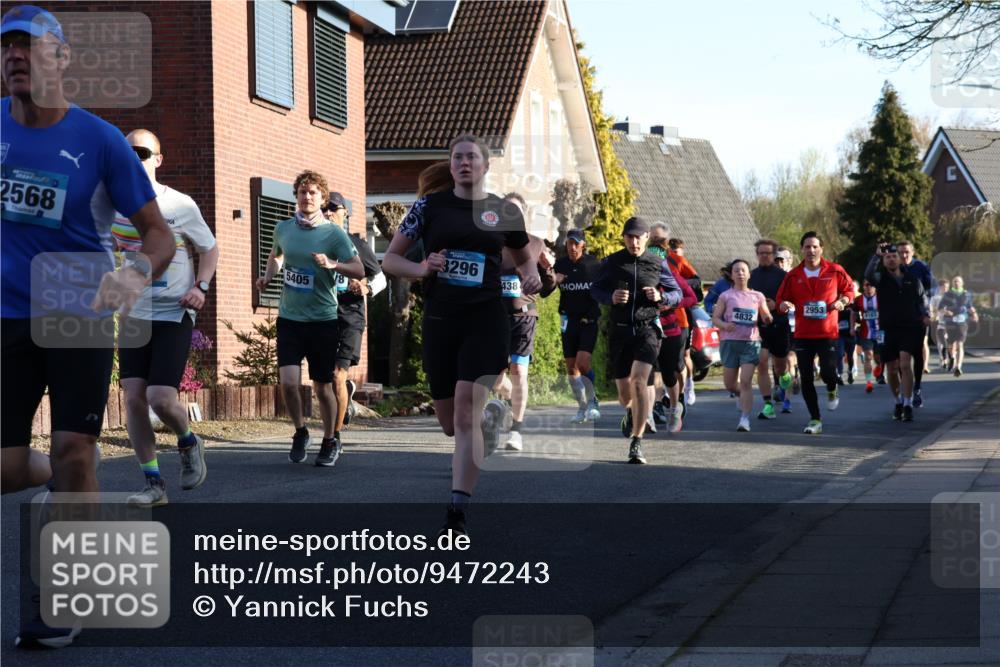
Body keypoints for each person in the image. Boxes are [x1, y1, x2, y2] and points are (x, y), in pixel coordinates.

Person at [1, 5, 175, 649]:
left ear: (62, 57)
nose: (15, 56)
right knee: (9, 465)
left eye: (29, 45)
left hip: (75, 307)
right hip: (3, 316)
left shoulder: (101, 140)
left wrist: (135, 274)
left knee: (77, 449)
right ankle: (56, 480)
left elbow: (158, 235)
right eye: (6, 47)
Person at [382, 134, 541, 536]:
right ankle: (490, 415)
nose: (464, 163)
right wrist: (423, 269)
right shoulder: (429, 207)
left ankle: (457, 508)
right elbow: (391, 259)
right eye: (458, 158)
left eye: (472, 157)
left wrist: (532, 275)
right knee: (451, 424)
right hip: (441, 319)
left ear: (485, 166)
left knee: (466, 412)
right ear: (451, 166)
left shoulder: (503, 211)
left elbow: (526, 259)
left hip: (486, 318)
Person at [113, 129, 219, 506]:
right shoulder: (110, 204)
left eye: (143, 152)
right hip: (134, 314)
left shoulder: (180, 205)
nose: (134, 158)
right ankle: (154, 483)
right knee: (133, 399)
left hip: (174, 311)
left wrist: (201, 287)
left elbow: (209, 250)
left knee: (160, 397)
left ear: (158, 159)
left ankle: (189, 441)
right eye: (128, 152)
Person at [254, 171, 364, 467]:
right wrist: (266, 277)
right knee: (288, 383)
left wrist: (333, 264)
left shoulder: (333, 234)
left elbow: (359, 269)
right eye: (302, 192)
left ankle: (330, 439)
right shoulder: (283, 228)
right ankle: (301, 431)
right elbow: (276, 255)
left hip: (322, 320)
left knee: (321, 386)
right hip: (289, 318)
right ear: (296, 196)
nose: (307, 197)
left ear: (322, 198)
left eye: (313, 193)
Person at [590, 217, 682, 464]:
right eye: (629, 237)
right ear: (624, 238)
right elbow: (594, 289)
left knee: (640, 381)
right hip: (620, 331)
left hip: (647, 329)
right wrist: (610, 296)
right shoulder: (612, 262)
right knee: (624, 394)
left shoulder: (658, 262)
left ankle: (637, 441)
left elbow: (678, 293)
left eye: (638, 237)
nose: (633, 241)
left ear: (646, 238)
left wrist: (661, 296)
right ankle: (630, 412)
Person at [776, 232, 855, 434]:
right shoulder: (793, 275)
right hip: (803, 334)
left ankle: (831, 388)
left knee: (829, 373)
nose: (811, 250)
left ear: (821, 249)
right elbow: (780, 300)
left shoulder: (835, 271)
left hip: (827, 332)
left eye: (815, 247)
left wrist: (842, 301)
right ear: (802, 249)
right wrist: (784, 304)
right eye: (807, 247)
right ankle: (815, 419)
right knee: (806, 377)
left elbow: (850, 291)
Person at [496, 192, 557, 451]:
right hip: (494, 316)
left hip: (524, 316)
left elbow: (547, 288)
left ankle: (516, 429)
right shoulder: (489, 243)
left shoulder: (536, 243)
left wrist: (549, 269)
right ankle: (513, 402)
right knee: (494, 379)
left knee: (518, 371)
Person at [324, 192, 384, 441]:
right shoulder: (313, 244)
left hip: (350, 316)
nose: (327, 212)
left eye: (333, 208)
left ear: (344, 213)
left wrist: (366, 287)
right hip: (321, 316)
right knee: (327, 378)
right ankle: (345, 394)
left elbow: (380, 278)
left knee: (338, 373)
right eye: (324, 208)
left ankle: (333, 439)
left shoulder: (356, 245)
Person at [864, 243, 930, 421]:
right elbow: (868, 275)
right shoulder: (880, 278)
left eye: (894, 256)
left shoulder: (912, 279)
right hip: (887, 329)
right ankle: (898, 401)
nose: (892, 259)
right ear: (884, 261)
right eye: (888, 257)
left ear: (900, 259)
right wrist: (876, 256)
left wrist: (926, 314)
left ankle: (908, 403)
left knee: (905, 362)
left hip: (909, 327)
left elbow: (922, 299)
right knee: (892, 369)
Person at [713, 259, 773, 431]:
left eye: (743, 270)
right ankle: (741, 394)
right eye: (736, 271)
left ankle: (745, 419)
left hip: (750, 342)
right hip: (729, 342)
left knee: (746, 381)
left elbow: (766, 315)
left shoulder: (757, 296)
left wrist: (768, 318)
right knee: (730, 385)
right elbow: (716, 318)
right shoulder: (725, 296)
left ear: (749, 274)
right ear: (731, 275)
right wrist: (725, 325)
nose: (740, 273)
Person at [651, 226, 697, 434]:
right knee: (648, 371)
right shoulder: (633, 267)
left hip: (673, 327)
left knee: (671, 371)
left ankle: (675, 406)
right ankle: (648, 413)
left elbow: (692, 296)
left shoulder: (670, 266)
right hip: (646, 328)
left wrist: (669, 302)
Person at [553, 228, 602, 423]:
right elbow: (545, 290)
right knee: (571, 369)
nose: (572, 247)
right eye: (569, 243)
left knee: (583, 363)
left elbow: (605, 288)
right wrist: (553, 280)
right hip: (568, 321)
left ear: (583, 244)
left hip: (588, 321)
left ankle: (593, 401)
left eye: (576, 243)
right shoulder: (560, 265)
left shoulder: (593, 265)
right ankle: (582, 407)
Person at [748, 239, 793, 419]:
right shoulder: (751, 275)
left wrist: (778, 304)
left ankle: (787, 383)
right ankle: (768, 404)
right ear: (757, 255)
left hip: (779, 325)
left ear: (774, 255)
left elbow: (791, 299)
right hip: (759, 326)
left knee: (781, 368)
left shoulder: (783, 276)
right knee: (762, 361)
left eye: (768, 253)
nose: (764, 256)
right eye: (761, 253)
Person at [896, 240, 935, 405]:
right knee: (900, 357)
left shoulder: (921, 267)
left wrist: (927, 307)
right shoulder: (893, 267)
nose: (904, 255)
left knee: (917, 354)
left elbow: (933, 287)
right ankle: (905, 388)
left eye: (907, 252)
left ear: (912, 252)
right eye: (901, 252)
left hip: (918, 316)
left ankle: (917, 386)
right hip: (898, 318)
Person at [667, 237, 702, 407]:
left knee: (685, 354)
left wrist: (679, 283)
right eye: (671, 249)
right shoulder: (659, 260)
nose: (674, 252)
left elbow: (697, 280)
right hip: (666, 313)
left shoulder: (679, 262)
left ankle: (689, 383)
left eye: (677, 250)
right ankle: (670, 389)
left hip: (684, 312)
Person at [938, 275, 978, 377]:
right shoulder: (948, 294)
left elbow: (970, 307)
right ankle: (952, 358)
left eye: (958, 281)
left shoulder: (967, 294)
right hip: (950, 322)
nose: (956, 283)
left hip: (962, 322)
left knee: (960, 344)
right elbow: (940, 308)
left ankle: (958, 366)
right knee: (951, 345)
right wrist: (946, 312)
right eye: (955, 281)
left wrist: (974, 314)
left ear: (962, 283)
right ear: (953, 283)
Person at [774, 246, 799, 410]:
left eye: (782, 260)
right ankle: (782, 384)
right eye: (777, 260)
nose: (780, 263)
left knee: (790, 359)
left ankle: (786, 400)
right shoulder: (772, 278)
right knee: (779, 365)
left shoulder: (797, 277)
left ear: (789, 261)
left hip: (795, 326)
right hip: (776, 325)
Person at [853, 280, 882, 394]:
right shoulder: (859, 300)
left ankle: (879, 369)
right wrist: (852, 327)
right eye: (866, 285)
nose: (869, 287)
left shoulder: (881, 297)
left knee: (879, 357)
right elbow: (854, 313)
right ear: (863, 287)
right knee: (868, 356)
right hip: (866, 333)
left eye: (871, 285)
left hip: (880, 332)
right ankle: (869, 382)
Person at [835, 281, 859, 385]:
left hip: (850, 333)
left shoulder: (852, 304)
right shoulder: (835, 303)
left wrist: (854, 327)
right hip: (839, 334)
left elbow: (857, 316)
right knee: (839, 354)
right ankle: (839, 374)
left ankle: (850, 370)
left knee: (850, 355)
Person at [929, 278, 951, 369]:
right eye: (943, 287)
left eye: (947, 287)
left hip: (950, 322)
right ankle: (942, 357)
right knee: (940, 341)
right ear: (940, 287)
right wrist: (933, 315)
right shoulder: (935, 298)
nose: (945, 289)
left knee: (947, 340)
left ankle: (946, 357)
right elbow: (931, 309)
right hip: (939, 321)